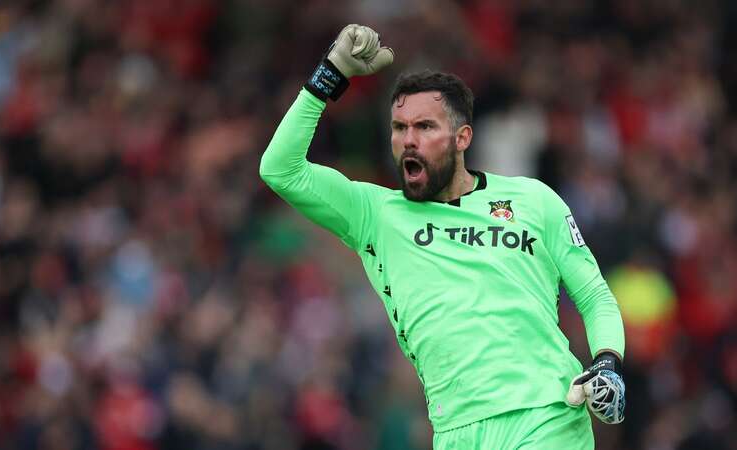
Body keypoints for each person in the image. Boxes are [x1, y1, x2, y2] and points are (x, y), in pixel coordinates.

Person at [260, 24, 625, 449]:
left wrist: (607, 363)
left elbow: (595, 295)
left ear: (461, 138)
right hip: (456, 431)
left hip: (546, 416)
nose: (409, 140)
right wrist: (333, 71)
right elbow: (279, 168)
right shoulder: (374, 214)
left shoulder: (533, 199)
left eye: (425, 127)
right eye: (399, 128)